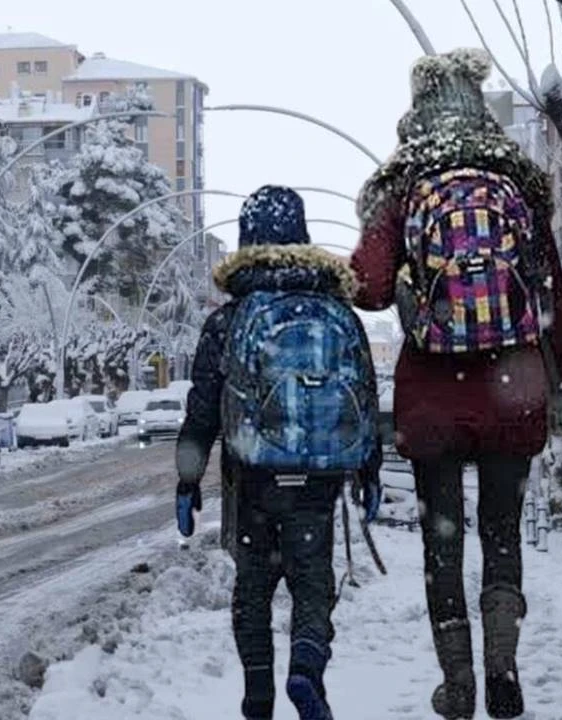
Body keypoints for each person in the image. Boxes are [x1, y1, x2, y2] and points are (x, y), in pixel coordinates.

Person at [350, 48, 562, 720]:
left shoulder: (406, 186)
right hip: (513, 390)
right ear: (478, 107)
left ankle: (459, 684)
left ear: (417, 109)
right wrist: (559, 376)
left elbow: (367, 283)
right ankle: (504, 664)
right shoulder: (517, 188)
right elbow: (553, 297)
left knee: (442, 541)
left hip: (434, 399)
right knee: (501, 531)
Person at [177, 186, 381, 720]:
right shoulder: (336, 309)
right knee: (313, 583)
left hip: (254, 480)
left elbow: (202, 410)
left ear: (247, 241)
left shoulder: (229, 319)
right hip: (317, 479)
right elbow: (363, 393)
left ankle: (259, 698)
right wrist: (370, 471)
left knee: (253, 593)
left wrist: (187, 481)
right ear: (302, 237)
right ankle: (306, 668)